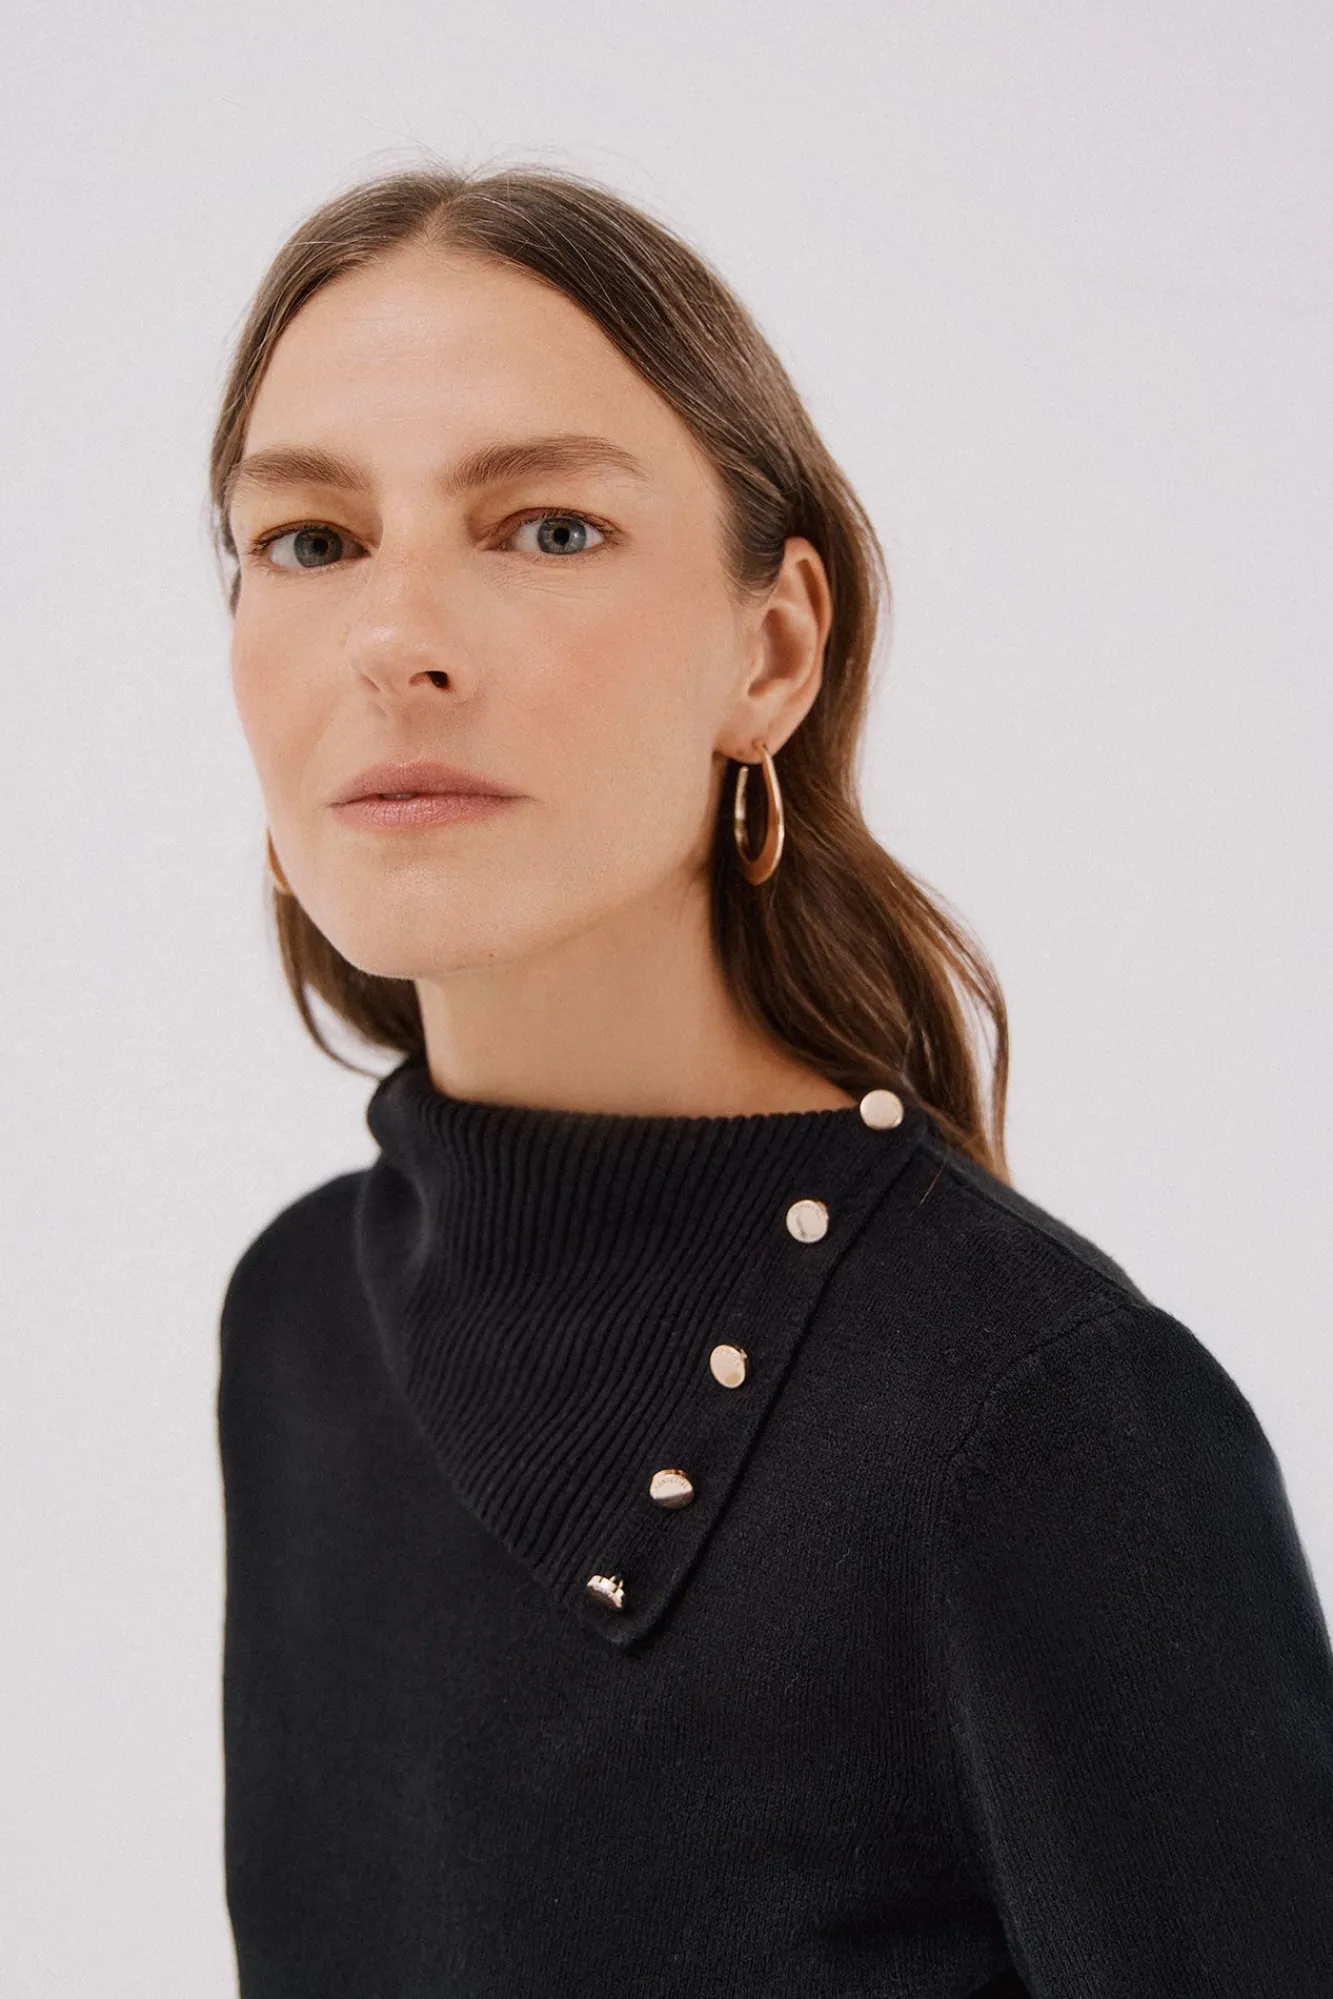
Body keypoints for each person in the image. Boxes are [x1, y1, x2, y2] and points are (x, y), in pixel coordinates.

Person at [211, 163, 1333, 1998]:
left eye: (546, 526)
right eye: (311, 540)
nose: (393, 638)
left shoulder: (1034, 1419)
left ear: (775, 648)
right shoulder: (297, 1325)